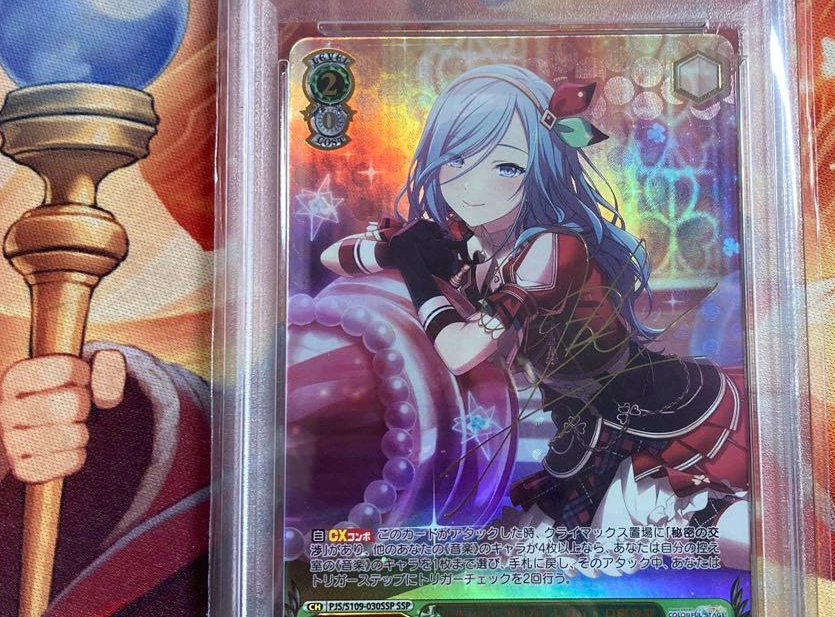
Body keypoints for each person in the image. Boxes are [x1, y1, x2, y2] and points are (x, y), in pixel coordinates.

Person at [321, 64, 749, 541]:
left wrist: (416, 270)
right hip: (580, 424)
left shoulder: (550, 248)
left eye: (506, 166)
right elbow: (333, 258)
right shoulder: (472, 244)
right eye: (456, 160)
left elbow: (460, 352)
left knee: (689, 525)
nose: (473, 185)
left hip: (646, 413)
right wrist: (400, 250)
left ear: (542, 168)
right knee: (569, 542)